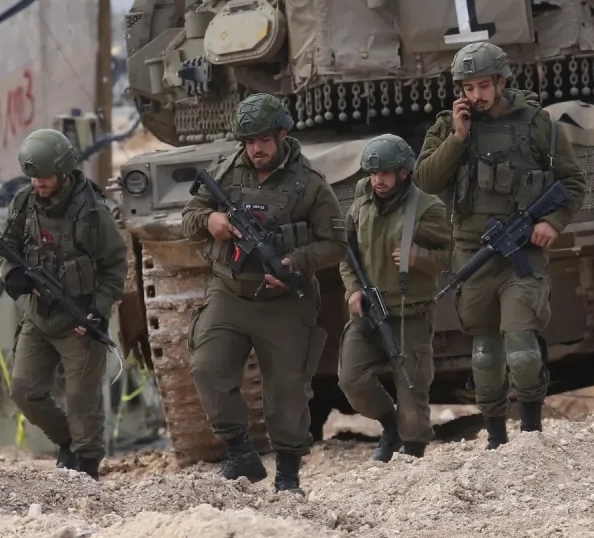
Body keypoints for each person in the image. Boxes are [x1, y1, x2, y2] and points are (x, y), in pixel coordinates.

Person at [413, 42, 588, 448]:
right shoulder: (449, 127)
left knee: (522, 351)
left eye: (483, 86)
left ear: (501, 82)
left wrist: (552, 221)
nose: (476, 96)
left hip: (521, 254)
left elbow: (573, 182)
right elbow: (425, 181)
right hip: (473, 254)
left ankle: (531, 431)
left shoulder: (537, 123)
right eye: (468, 88)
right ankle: (495, 436)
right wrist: (457, 139)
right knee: (485, 356)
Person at [181, 93, 348, 493]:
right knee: (206, 367)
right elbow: (189, 217)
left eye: (263, 140)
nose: (256, 149)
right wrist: (209, 220)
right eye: (248, 141)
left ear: (282, 135)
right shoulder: (224, 173)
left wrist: (295, 261)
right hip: (229, 292)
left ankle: (288, 476)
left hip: (284, 303)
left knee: (288, 391)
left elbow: (336, 243)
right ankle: (240, 452)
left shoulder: (310, 184)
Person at [0, 128, 128, 480]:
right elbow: (7, 246)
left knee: (83, 402)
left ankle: (87, 468)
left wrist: (98, 310)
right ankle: (67, 443)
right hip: (39, 317)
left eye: (45, 176)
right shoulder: (24, 203)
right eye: (33, 177)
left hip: (79, 321)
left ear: (64, 171)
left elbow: (115, 267)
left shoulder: (92, 211)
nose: (38, 183)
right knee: (24, 391)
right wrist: (13, 275)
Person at [337, 134, 451, 462]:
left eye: (385, 173)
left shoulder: (428, 208)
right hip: (369, 310)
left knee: (412, 391)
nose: (378, 180)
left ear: (403, 172)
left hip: (410, 312)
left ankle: (412, 454)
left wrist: (419, 257)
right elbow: (346, 253)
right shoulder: (361, 204)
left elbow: (455, 255)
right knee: (351, 379)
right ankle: (390, 427)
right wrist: (353, 289)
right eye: (373, 174)